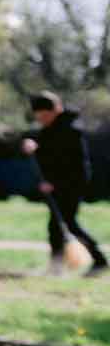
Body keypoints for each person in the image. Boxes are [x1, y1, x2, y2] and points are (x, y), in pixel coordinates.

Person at [20, 91, 107, 278]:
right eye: (39, 118)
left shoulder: (71, 130)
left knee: (68, 224)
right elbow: (46, 148)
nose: (42, 120)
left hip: (72, 184)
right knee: (58, 226)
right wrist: (33, 144)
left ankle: (99, 261)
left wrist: (54, 183)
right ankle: (57, 266)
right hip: (58, 184)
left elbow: (71, 164)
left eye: (44, 116)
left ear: (56, 109)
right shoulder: (52, 128)